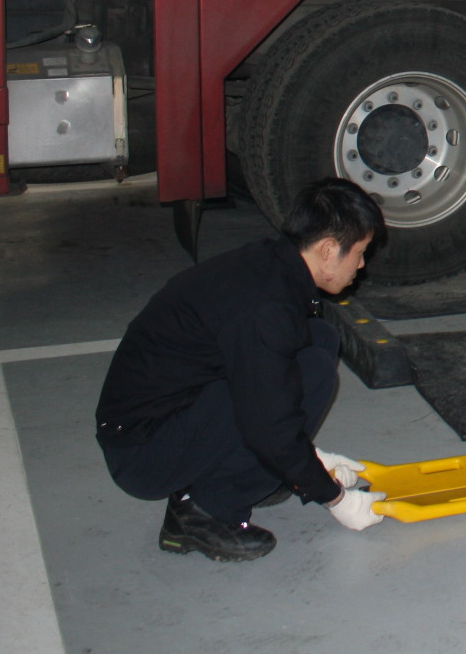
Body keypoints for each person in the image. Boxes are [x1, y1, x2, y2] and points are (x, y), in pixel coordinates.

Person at [94, 177, 390, 562]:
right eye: (360, 253)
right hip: (143, 453)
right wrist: (332, 496)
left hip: (166, 415)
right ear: (329, 249)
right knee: (309, 375)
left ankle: (262, 471)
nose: (362, 265)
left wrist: (305, 463)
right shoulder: (265, 309)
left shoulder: (270, 265)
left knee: (317, 339)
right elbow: (269, 422)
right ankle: (201, 512)